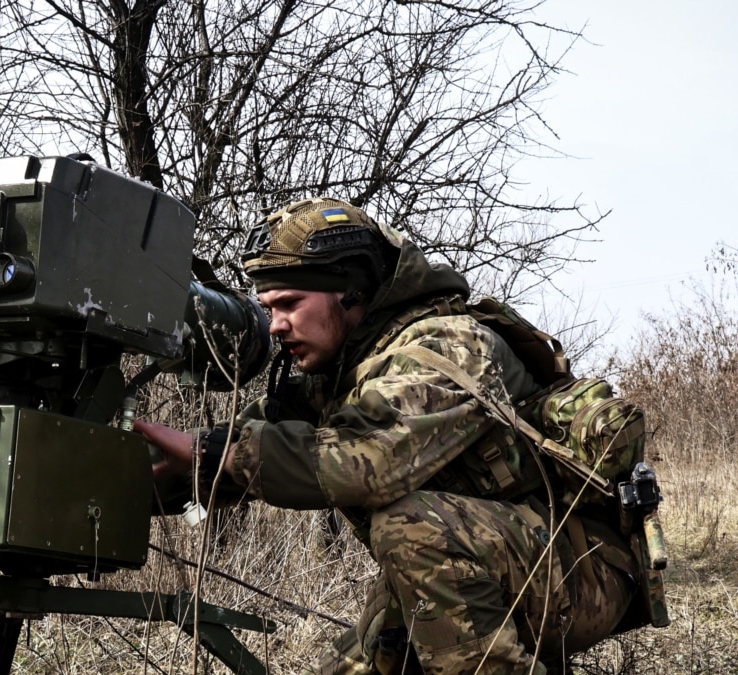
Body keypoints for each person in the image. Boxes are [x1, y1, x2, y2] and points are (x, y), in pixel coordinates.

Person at [135, 197, 640, 674]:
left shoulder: (445, 348)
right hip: (470, 568)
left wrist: (213, 452)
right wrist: (137, 473)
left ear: (351, 291)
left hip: (581, 570)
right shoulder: (339, 371)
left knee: (408, 526)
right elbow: (241, 446)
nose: (275, 326)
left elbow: (359, 461)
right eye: (267, 308)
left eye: (289, 303)